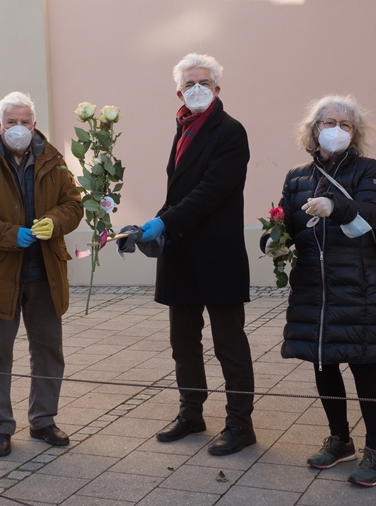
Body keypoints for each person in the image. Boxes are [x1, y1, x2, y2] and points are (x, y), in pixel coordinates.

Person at [272, 95, 376, 487]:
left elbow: (373, 211)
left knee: (364, 365)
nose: (337, 130)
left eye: (345, 124)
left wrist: (334, 206)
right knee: (322, 362)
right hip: (313, 285)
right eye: (329, 122)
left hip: (357, 284)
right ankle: (340, 439)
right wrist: (274, 242)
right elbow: (286, 224)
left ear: (355, 132)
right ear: (314, 130)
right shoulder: (296, 177)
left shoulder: (367, 169)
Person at [138, 53, 256, 456]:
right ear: (179, 91)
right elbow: (179, 193)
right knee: (183, 342)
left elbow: (211, 191)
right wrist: (150, 224)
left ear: (218, 88)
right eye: (190, 84)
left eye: (204, 82)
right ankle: (192, 413)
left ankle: (241, 424)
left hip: (217, 252)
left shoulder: (230, 131)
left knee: (229, 344)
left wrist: (165, 222)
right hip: (182, 253)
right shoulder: (183, 128)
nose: (197, 89)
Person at [0, 91, 82, 458]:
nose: (19, 129)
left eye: (26, 122)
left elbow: (74, 205)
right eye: (12, 122)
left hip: (44, 272)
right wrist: (10, 235)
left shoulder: (54, 161)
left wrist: (54, 222)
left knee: (48, 351)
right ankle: (0, 428)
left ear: (35, 125)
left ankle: (43, 419)